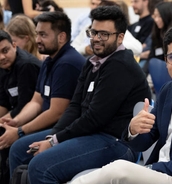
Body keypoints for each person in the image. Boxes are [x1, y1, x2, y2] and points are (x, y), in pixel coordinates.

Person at [70, 23, 172, 184]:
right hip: (158, 171)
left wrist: (151, 168)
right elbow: (145, 141)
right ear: (166, 60)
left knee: (118, 171)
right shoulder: (168, 89)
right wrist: (133, 130)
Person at [10, 6, 151, 183]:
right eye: (93, 32)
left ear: (120, 37)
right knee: (18, 149)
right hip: (91, 134)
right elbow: (75, 106)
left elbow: (94, 118)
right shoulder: (92, 63)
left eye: (104, 34)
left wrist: (55, 142)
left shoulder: (120, 66)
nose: (96, 39)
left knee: (40, 166)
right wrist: (53, 136)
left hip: (116, 141)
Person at [5, 10, 86, 177]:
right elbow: (36, 101)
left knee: (18, 148)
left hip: (66, 128)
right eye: (37, 34)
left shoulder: (67, 63)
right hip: (52, 123)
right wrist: (15, 121)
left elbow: (57, 112)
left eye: (43, 35)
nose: (37, 40)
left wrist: (20, 131)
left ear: (61, 37)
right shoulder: (49, 60)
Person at [0, 30, 41, 184]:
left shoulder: (26, 66)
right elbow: (3, 102)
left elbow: (26, 104)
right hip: (16, 114)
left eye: (5, 51)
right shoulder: (3, 67)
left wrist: (4, 122)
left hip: (33, 117)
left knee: (4, 135)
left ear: (14, 46)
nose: (2, 57)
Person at [71, 0, 142, 57]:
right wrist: (84, 49)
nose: (96, 39)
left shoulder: (116, 29)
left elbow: (138, 48)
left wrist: (112, 43)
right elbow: (72, 48)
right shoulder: (87, 27)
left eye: (104, 34)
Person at [142, 1, 172, 74]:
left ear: (167, 16)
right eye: (155, 16)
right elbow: (151, 57)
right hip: (156, 71)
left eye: (159, 16)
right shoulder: (157, 33)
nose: (156, 19)